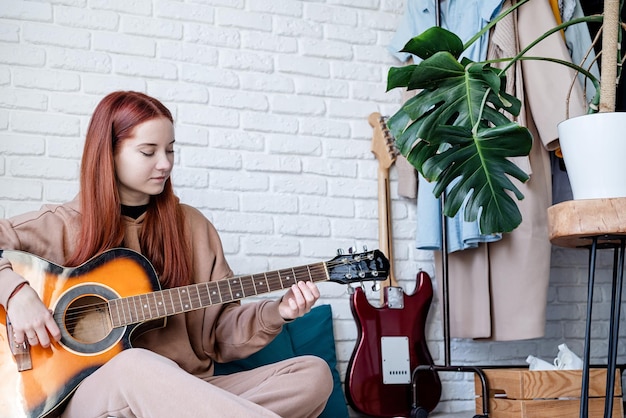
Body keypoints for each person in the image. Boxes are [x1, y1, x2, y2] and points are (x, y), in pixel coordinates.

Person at [0, 91, 333, 418]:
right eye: (149, 152)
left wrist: (278, 312)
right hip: (92, 397)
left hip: (191, 393)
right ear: (109, 153)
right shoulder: (58, 224)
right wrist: (16, 293)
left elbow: (220, 331)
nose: (165, 164)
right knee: (134, 365)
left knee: (311, 374)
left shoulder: (193, 227)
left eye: (170, 150)